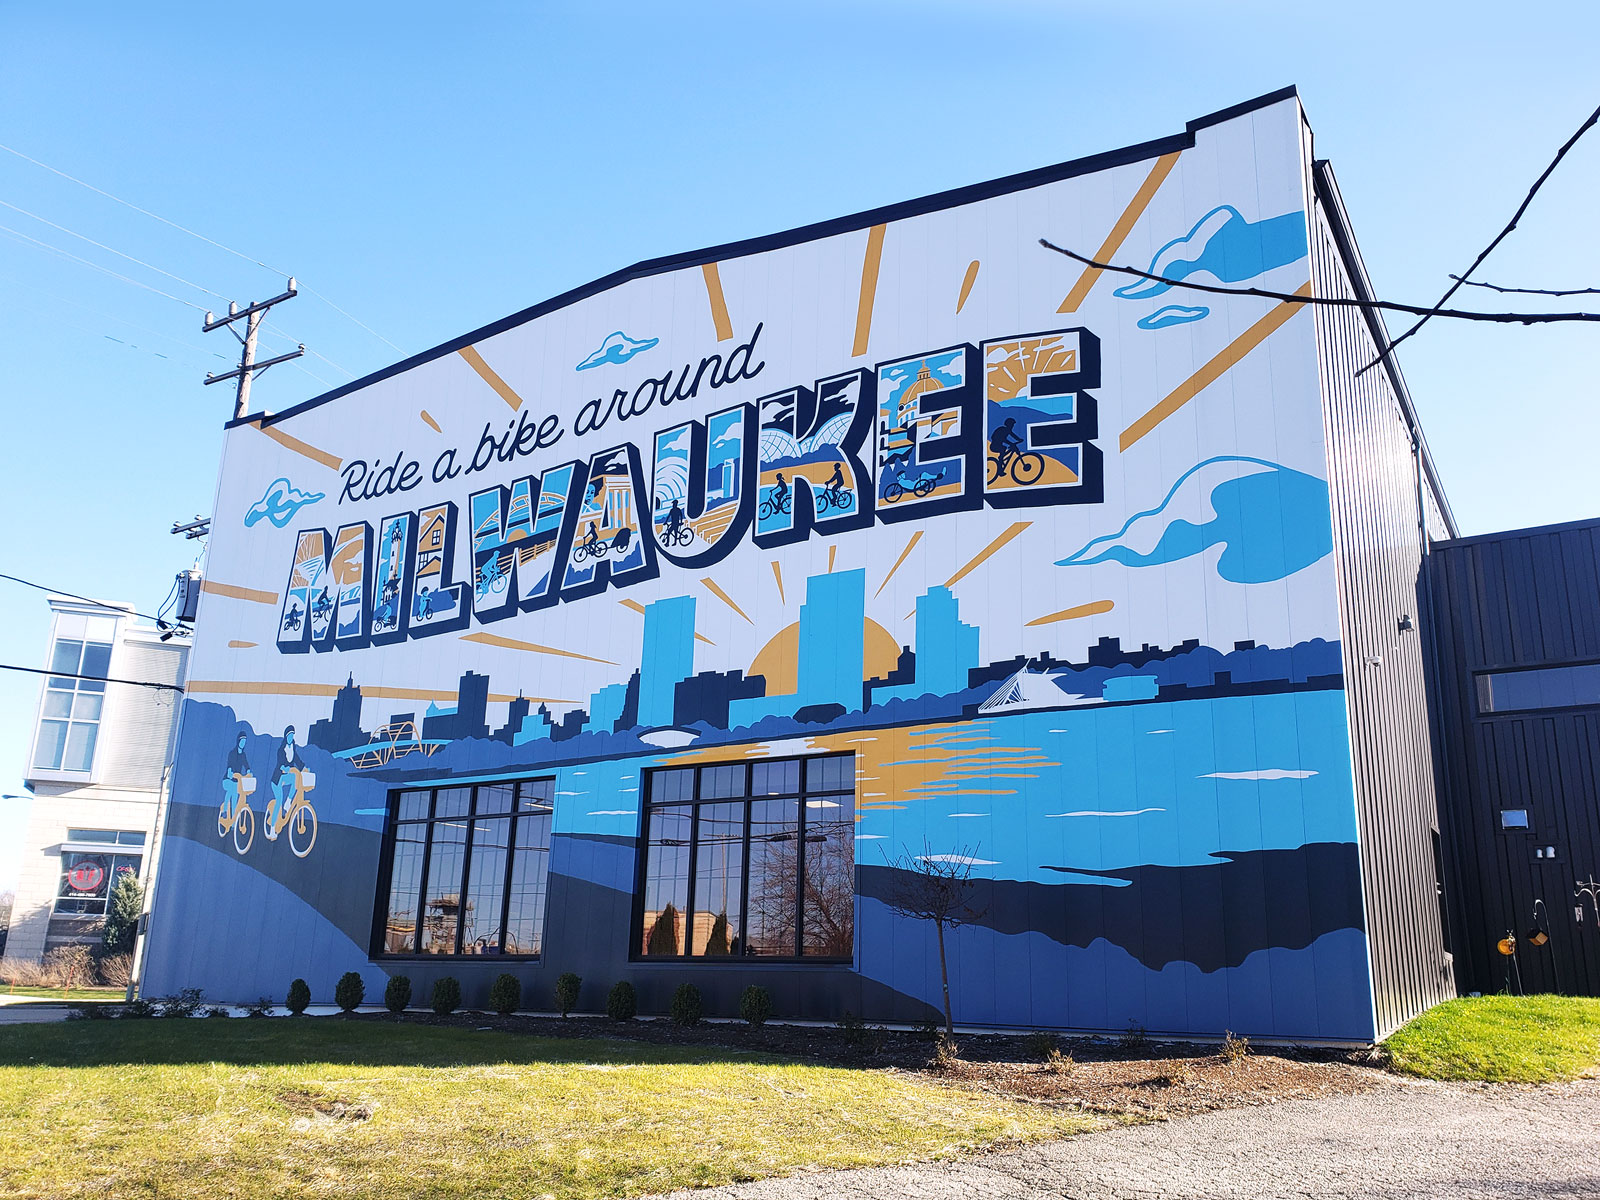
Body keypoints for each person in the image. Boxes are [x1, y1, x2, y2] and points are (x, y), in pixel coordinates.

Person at [266, 726, 306, 840]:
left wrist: (304, 768)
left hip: (286, 777)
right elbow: (281, 763)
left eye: (292, 735)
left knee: (296, 779)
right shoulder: (281, 750)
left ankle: (288, 802)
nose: (291, 737)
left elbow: (297, 761)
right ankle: (272, 829)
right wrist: (285, 768)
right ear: (286, 736)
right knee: (278, 801)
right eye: (289, 735)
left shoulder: (293, 748)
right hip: (277, 779)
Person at [222, 732, 251, 824]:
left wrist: (249, 772)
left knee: (236, 798)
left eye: (244, 742)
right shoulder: (232, 753)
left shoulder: (243, 755)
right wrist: (230, 773)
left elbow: (246, 765)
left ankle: (233, 822)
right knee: (232, 791)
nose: (243, 743)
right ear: (238, 741)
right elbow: (229, 765)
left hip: (237, 781)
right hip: (227, 780)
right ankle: (225, 810)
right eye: (242, 741)